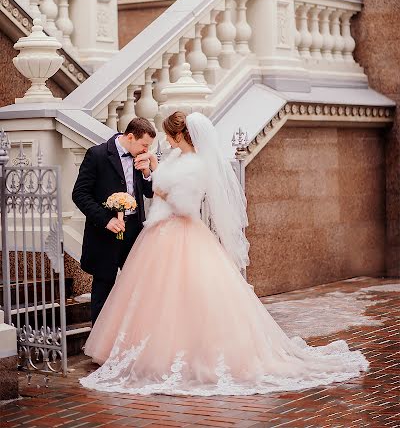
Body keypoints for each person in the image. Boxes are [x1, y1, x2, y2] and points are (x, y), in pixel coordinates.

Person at [80, 111, 368, 396]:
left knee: (182, 298)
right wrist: (154, 171)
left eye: (169, 134)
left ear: (180, 135)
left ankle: (181, 353)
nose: (165, 139)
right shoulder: (177, 158)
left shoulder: (196, 165)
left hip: (180, 233)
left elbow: (185, 205)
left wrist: (159, 186)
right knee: (154, 298)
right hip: (158, 233)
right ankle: (140, 349)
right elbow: (155, 185)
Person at [72, 117, 156, 325]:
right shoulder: (97, 155)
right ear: (130, 137)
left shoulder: (140, 157)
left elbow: (148, 192)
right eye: (144, 145)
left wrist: (147, 172)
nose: (146, 150)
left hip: (134, 233)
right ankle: (99, 345)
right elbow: (80, 194)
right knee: (103, 289)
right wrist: (105, 220)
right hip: (105, 236)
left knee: (136, 288)